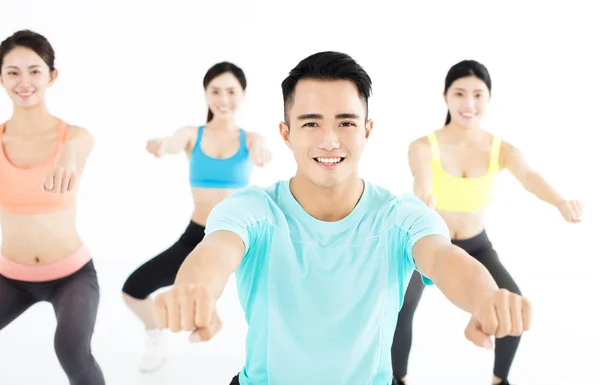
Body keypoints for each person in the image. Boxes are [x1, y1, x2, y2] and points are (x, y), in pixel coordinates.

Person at [154, 51, 532, 385]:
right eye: (311, 123)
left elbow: (447, 260)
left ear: (367, 130)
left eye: (346, 123)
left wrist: (485, 298)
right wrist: (194, 289)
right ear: (286, 134)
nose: (330, 140)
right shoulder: (252, 210)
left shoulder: (402, 216)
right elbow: (216, 253)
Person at [391, 59, 583, 385]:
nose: (469, 104)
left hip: (476, 244)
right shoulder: (423, 146)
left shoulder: (502, 150)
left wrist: (561, 202)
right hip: (430, 245)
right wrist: (422, 198)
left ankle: (499, 381)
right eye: (460, 94)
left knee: (512, 306)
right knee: (399, 310)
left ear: (489, 99)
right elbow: (421, 179)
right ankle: (398, 380)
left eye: (478, 95)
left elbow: (530, 177)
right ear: (445, 97)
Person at [121, 61, 272, 372]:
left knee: (271, 300)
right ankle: (155, 334)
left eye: (231, 91)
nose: (223, 98)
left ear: (243, 95)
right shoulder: (193, 134)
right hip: (197, 236)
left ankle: (270, 359)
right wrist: (163, 145)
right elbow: (175, 142)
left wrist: (263, 154)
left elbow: (262, 150)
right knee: (133, 289)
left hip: (243, 238)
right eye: (215, 91)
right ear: (206, 95)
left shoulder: (251, 138)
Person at [0, 30, 104, 385]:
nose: (24, 81)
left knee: (71, 348)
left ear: (51, 76)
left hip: (71, 276)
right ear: (1, 78)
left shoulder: (73, 137)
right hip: (10, 277)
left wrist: (67, 156)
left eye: (34, 70)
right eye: (12, 72)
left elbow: (79, 144)